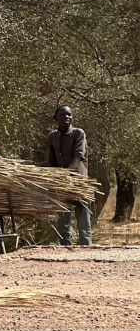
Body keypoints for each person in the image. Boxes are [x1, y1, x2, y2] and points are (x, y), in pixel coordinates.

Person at [48, 105, 92, 246]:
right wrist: (51, 178)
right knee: (63, 219)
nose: (67, 117)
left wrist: (67, 173)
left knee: (83, 219)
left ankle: (86, 248)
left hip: (79, 181)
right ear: (55, 118)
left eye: (69, 115)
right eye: (63, 114)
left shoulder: (79, 133)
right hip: (61, 183)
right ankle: (65, 249)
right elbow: (52, 160)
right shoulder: (52, 136)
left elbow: (78, 156)